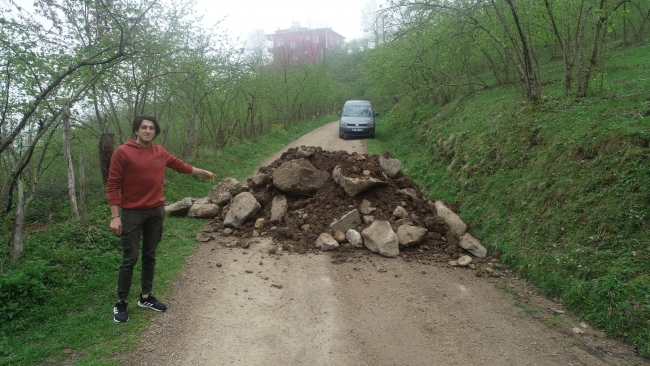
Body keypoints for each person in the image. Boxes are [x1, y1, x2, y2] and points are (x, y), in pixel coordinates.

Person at [107, 115, 216, 323]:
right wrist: (115, 216)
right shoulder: (123, 152)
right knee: (130, 258)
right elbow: (113, 185)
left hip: (156, 211)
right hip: (132, 213)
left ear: (155, 132)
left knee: (150, 255)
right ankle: (121, 302)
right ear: (136, 131)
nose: (148, 130)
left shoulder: (160, 152)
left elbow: (181, 166)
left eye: (151, 128)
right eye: (143, 127)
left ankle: (145, 297)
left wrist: (203, 172)